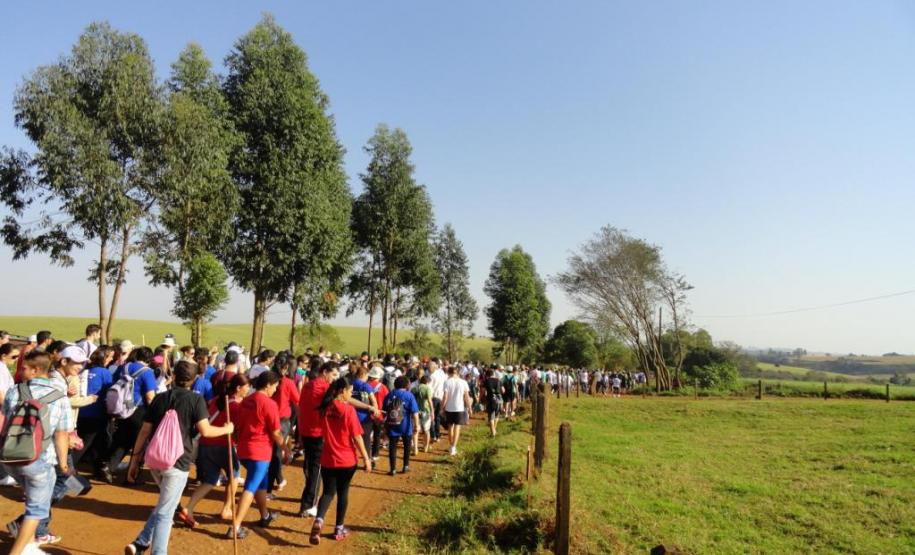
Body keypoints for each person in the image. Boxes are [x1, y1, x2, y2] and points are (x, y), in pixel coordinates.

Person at [124, 361, 233, 555]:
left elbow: (144, 431)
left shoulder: (159, 399)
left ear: (173, 377)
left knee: (167, 503)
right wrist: (227, 429)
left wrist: (134, 461)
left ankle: (140, 542)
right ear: (194, 379)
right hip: (178, 462)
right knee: (166, 512)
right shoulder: (195, 400)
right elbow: (205, 430)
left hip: (156, 461)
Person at [2, 350, 73, 555]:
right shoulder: (59, 396)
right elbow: (61, 435)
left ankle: (30, 545)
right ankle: (17, 552)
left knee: (32, 496)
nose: (19, 369)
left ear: (36, 369)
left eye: (23, 367)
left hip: (11, 458)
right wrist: (63, 464)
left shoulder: (15, 392)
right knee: (36, 511)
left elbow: (7, 421)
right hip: (40, 460)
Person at [178, 374, 249, 527]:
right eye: (246, 386)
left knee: (209, 480)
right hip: (223, 445)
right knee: (234, 475)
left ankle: (188, 508)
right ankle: (226, 508)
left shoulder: (216, 400)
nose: (248, 390)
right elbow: (238, 430)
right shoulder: (235, 406)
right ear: (238, 388)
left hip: (205, 444)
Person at [309, 376, 372, 545]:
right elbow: (357, 436)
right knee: (343, 493)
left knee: (328, 492)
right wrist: (366, 458)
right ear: (342, 392)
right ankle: (338, 528)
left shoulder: (324, 408)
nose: (350, 395)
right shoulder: (348, 410)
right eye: (350, 392)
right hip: (346, 459)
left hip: (328, 457)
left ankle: (319, 520)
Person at [228, 371, 291, 540]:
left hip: (244, 450)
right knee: (250, 487)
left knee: (261, 483)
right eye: (275, 386)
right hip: (259, 451)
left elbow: (237, 426)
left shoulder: (246, 400)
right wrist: (286, 448)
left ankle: (265, 516)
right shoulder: (269, 404)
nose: (276, 389)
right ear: (268, 384)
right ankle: (235, 526)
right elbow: (276, 432)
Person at [109, 347, 158, 483]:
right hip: (139, 410)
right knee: (139, 444)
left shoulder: (124, 367)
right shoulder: (147, 372)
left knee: (122, 440)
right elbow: (150, 396)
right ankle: (132, 476)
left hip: (121, 408)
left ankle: (108, 465)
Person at [297, 361, 338, 517]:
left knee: (310, 467)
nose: (334, 378)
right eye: (333, 375)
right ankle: (308, 504)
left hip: (306, 430)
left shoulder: (308, 385)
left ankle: (307, 497)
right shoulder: (324, 389)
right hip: (317, 433)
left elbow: (301, 407)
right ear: (325, 372)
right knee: (316, 469)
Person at [73, 346, 114, 482]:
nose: (111, 359)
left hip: (82, 410)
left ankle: (98, 469)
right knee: (85, 442)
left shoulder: (85, 371)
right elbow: (110, 392)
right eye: (109, 357)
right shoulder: (104, 372)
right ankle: (66, 469)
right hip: (97, 412)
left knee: (97, 442)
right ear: (103, 359)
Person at [268, 354, 299, 495]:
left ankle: (278, 480)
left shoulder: (268, 378)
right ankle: (270, 486)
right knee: (276, 453)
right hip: (282, 420)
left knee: (270, 452)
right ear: (286, 368)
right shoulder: (287, 382)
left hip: (268, 417)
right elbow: (297, 399)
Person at [384, 376, 420, 475]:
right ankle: (405, 466)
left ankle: (393, 469)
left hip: (392, 424)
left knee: (392, 447)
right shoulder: (409, 395)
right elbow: (415, 412)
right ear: (406, 385)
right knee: (407, 446)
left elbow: (384, 410)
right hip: (406, 425)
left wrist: (383, 425)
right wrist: (417, 425)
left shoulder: (390, 394)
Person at [439, 366, 471, 456]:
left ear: (449, 373)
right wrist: (470, 407)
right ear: (457, 373)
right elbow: (466, 397)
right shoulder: (463, 382)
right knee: (457, 428)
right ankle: (453, 447)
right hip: (459, 408)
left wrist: (442, 408)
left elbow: (445, 397)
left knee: (450, 427)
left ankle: (451, 445)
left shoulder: (447, 382)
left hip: (449, 408)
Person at [410, 374, 434, 453]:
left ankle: (415, 448)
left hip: (415, 412)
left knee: (415, 430)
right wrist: (432, 412)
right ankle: (425, 446)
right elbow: (430, 401)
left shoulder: (414, 389)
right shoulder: (427, 389)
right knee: (426, 430)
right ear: (427, 382)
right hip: (425, 411)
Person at [427, 361, 446, 443]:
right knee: (437, 417)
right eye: (428, 367)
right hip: (440, 397)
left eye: (429, 367)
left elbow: (429, 388)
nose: (428, 369)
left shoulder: (431, 376)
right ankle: (437, 435)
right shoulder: (442, 374)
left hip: (433, 398)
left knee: (432, 417)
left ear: (434, 367)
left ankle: (433, 435)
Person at [483, 368, 504, 438]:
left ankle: (493, 433)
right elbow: (503, 390)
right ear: (493, 374)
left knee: (491, 417)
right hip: (499, 399)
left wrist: (481, 399)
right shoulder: (498, 380)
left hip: (491, 400)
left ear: (487, 375)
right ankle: (494, 430)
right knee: (497, 415)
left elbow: (483, 391)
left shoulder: (486, 381)